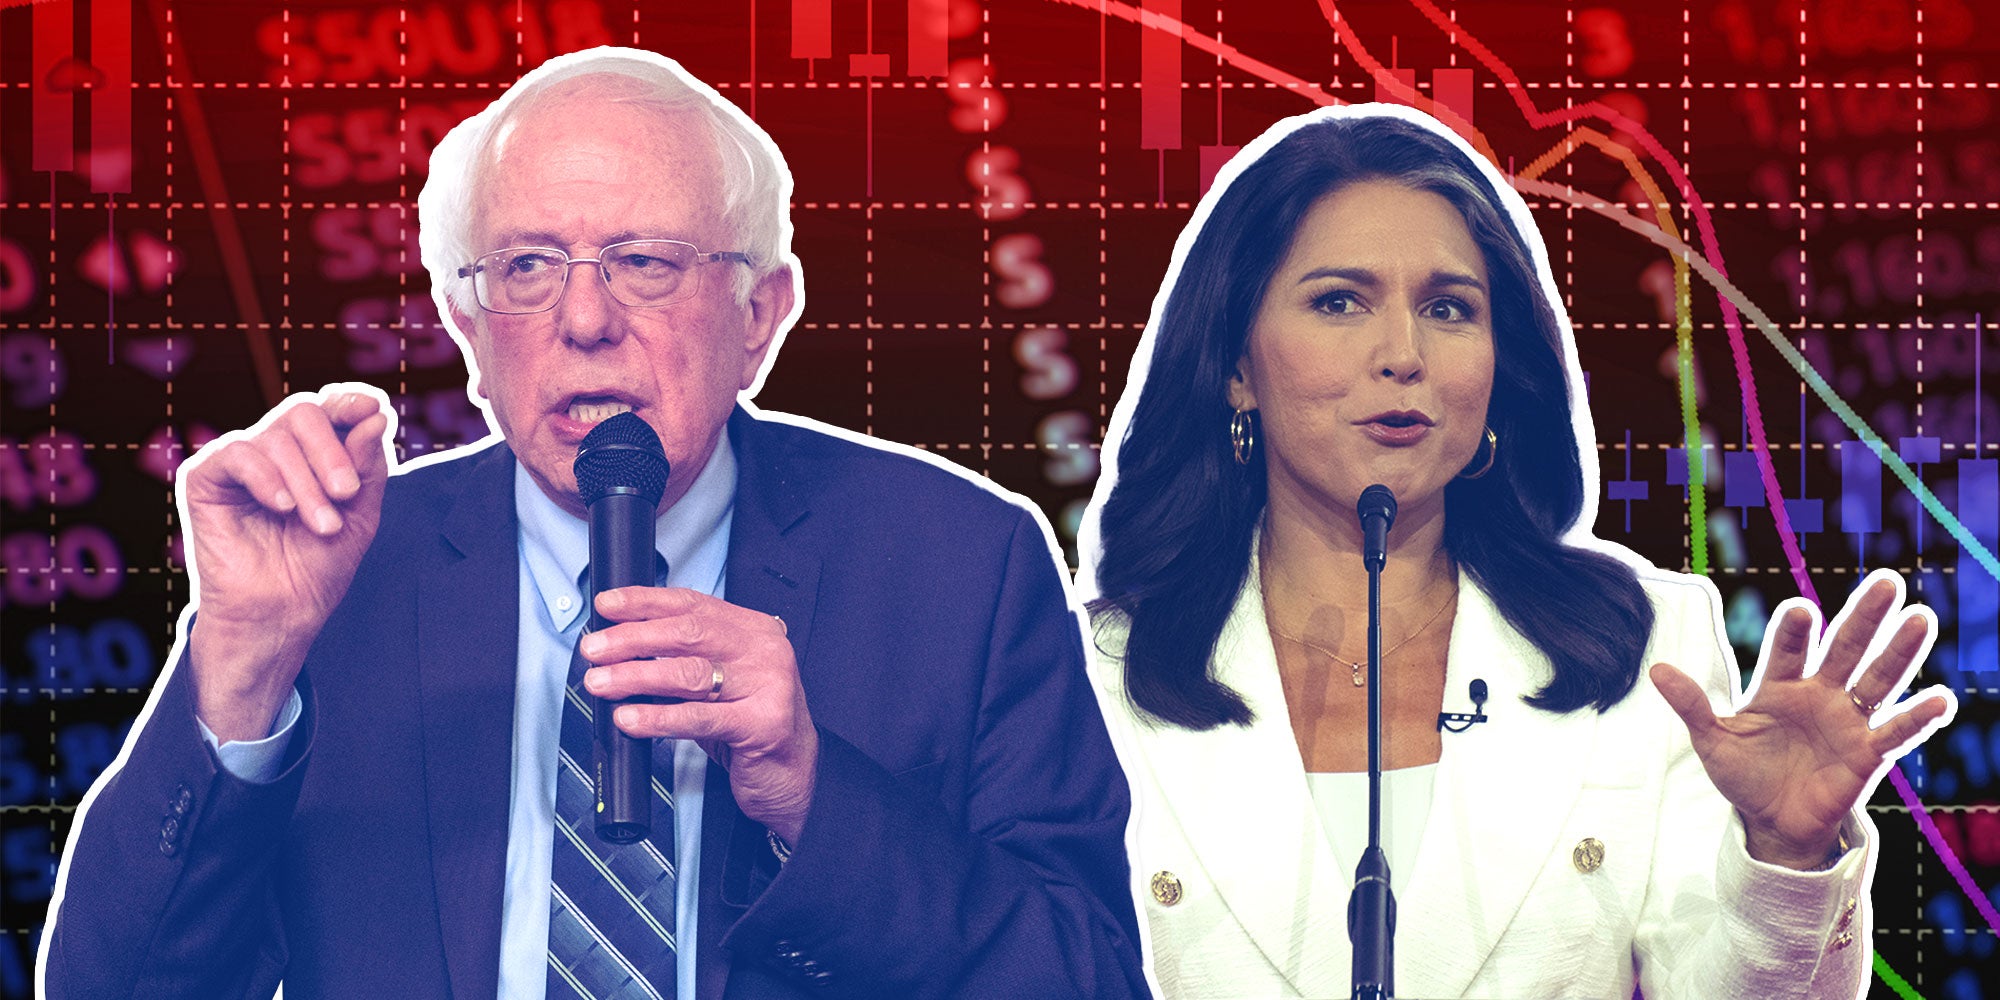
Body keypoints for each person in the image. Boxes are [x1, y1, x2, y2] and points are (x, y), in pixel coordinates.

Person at [42, 47, 1145, 1000]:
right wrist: (240, 667)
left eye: (644, 263)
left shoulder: (959, 562)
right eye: (525, 267)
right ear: (468, 322)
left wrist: (814, 791)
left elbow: (1084, 972)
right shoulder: (338, 568)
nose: (581, 319)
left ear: (759, 314)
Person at [1078, 104, 1958, 1000]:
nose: (1403, 354)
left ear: (1499, 368)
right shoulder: (1091, 678)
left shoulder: (1649, 647)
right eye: (1339, 301)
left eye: (1449, 308)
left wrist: (1785, 856)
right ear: (1236, 366)